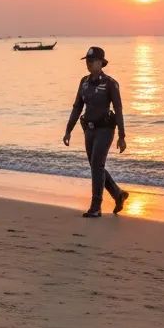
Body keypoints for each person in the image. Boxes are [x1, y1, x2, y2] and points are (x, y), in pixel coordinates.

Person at [63, 46, 129, 217]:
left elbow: (119, 109)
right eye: (87, 61)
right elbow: (77, 107)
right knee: (95, 166)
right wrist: (68, 130)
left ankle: (96, 207)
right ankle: (118, 194)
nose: (89, 64)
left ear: (101, 63)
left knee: (97, 166)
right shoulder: (83, 82)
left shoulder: (110, 84)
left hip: (105, 130)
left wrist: (122, 136)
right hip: (89, 130)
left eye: (92, 61)